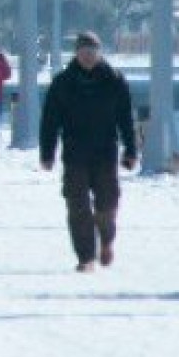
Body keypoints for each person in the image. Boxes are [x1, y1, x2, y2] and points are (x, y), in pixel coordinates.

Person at [39, 31, 138, 272]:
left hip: (105, 151)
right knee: (77, 205)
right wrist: (47, 153)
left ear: (99, 53)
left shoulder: (114, 80)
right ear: (76, 53)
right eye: (84, 52)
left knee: (107, 204)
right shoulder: (63, 83)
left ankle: (106, 240)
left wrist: (130, 150)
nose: (88, 56)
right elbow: (50, 121)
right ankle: (86, 257)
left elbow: (125, 118)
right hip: (75, 153)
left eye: (92, 52)